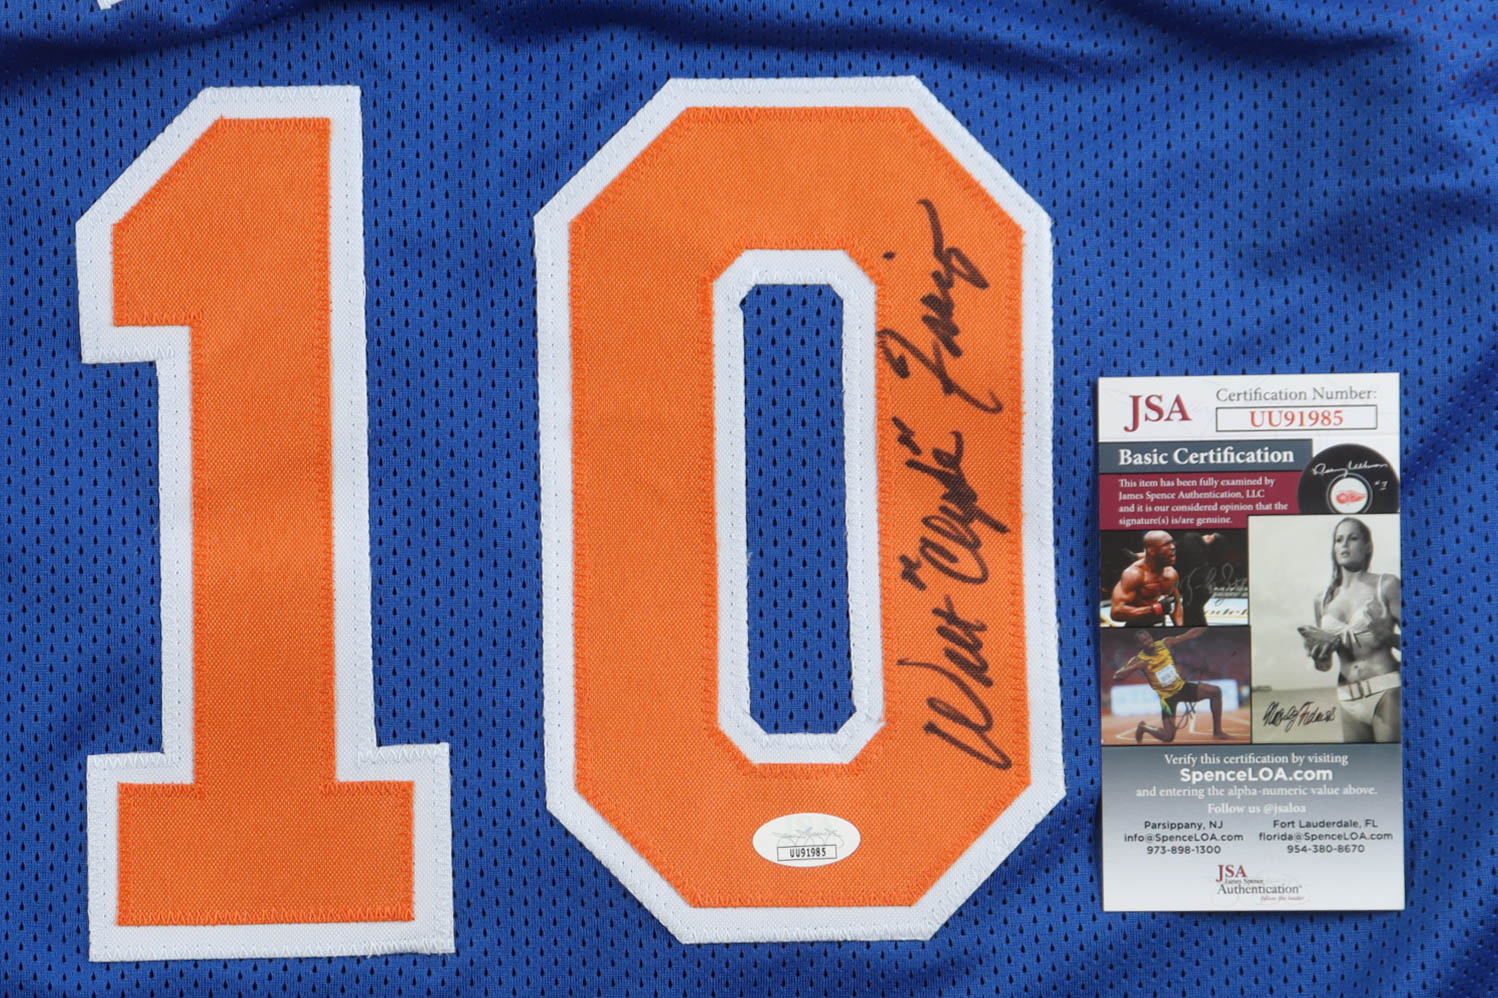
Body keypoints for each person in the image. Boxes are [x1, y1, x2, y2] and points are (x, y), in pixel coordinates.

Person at [1297, 517, 1401, 743]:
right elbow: (1325, 666)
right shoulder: (1322, 599)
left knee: (1388, 762)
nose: (1344, 545)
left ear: (1368, 547)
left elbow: (1426, 645)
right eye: (1339, 540)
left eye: (1353, 538)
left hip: (1387, 690)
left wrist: (1388, 636)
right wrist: (1320, 657)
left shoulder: (1386, 585)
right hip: (1347, 697)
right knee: (1358, 765)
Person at [1113, 628, 1231, 742]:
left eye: (1149, 638)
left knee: (1215, 691)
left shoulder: (1164, 644)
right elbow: (1117, 677)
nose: (1148, 642)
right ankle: (1143, 727)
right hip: (1167, 698)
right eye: (1144, 641)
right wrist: (1136, 666)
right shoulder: (1138, 659)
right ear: (1139, 645)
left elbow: (1189, 635)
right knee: (1168, 737)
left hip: (1181, 687)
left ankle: (1217, 732)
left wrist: (1206, 625)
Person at [1109, 530, 1183, 626]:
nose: (1173, 547)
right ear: (1151, 550)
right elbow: (1116, 612)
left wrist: (1179, 628)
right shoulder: (1133, 575)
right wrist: (1156, 608)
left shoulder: (1171, 573)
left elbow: (1176, 604)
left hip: (1161, 626)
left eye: (1172, 543)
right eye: (1166, 544)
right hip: (1136, 629)